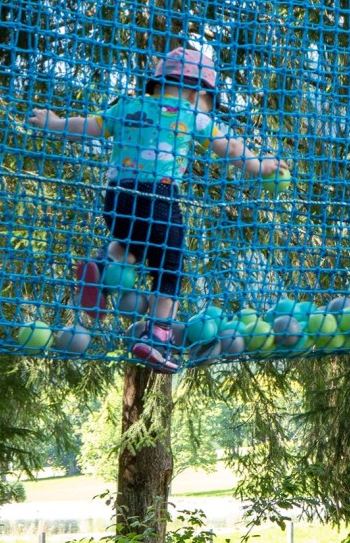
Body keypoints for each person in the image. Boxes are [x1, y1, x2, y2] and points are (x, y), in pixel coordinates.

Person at [28, 47, 288, 372]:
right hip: (159, 198)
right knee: (170, 266)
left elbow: (87, 126)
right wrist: (262, 165)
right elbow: (232, 149)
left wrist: (53, 122)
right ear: (199, 90)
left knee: (133, 242)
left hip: (117, 198)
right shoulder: (192, 115)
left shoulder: (126, 105)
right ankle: (156, 335)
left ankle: (104, 262)